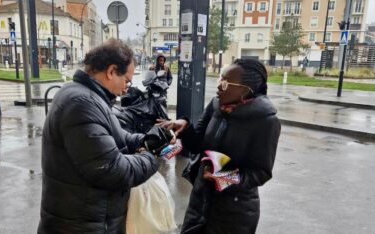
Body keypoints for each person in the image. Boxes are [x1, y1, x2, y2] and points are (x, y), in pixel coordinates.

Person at [38, 39, 170, 233]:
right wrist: (151, 158)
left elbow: (117, 136)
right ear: (111, 71)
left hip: (84, 219)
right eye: (126, 80)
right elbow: (111, 169)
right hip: (82, 225)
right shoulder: (82, 103)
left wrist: (146, 139)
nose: (127, 88)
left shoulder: (85, 96)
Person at [159, 58, 281, 234]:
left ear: (245, 91)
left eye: (225, 83)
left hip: (234, 212)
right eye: (219, 79)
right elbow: (197, 144)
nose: (218, 86)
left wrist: (223, 177)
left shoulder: (266, 122)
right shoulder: (216, 105)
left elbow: (261, 172)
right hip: (200, 201)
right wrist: (185, 127)